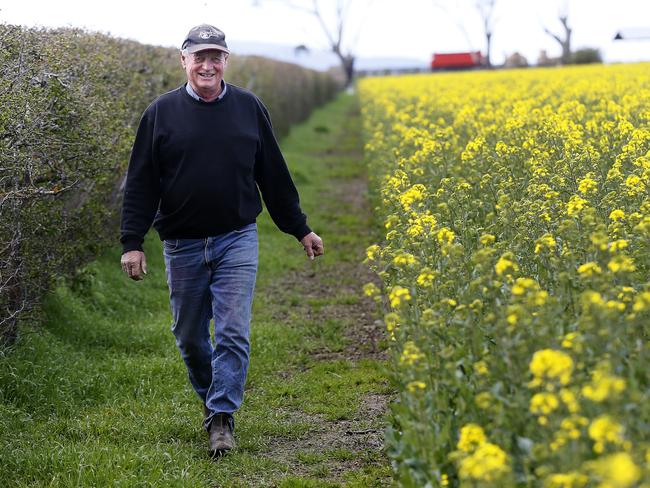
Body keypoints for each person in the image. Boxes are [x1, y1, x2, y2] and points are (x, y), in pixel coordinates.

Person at [119, 24, 324, 457]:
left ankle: (222, 417)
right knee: (191, 337)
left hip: (237, 239)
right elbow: (141, 184)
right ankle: (216, 405)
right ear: (184, 60)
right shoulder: (160, 113)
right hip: (182, 244)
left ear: (226, 61)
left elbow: (274, 176)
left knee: (232, 331)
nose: (208, 65)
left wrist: (300, 227)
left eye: (216, 57)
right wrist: (132, 242)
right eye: (200, 57)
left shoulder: (249, 108)